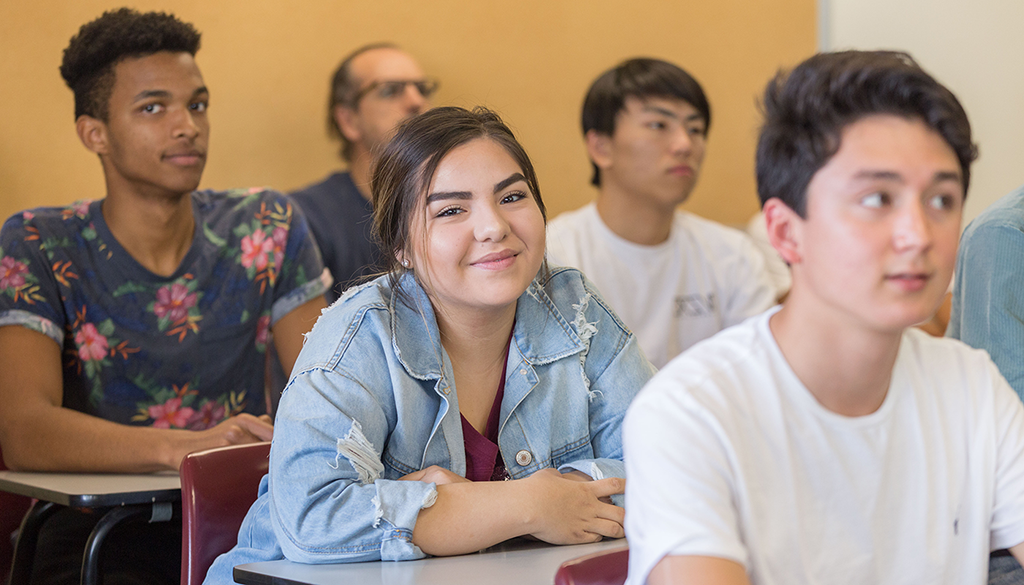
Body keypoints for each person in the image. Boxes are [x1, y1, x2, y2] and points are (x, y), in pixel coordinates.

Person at [203, 106, 655, 582]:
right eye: (452, 210)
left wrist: (470, 510)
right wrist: (530, 506)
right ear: (401, 246)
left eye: (513, 196)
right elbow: (313, 519)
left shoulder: (571, 304)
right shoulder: (359, 333)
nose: (493, 227)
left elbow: (668, 463)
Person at [624, 50, 1024, 585]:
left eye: (941, 199)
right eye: (878, 197)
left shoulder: (972, 387)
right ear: (787, 232)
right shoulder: (691, 411)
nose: (919, 234)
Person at [0, 8, 329, 584]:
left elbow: (331, 390)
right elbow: (24, 431)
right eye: (154, 108)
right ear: (93, 132)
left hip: (251, 523)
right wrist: (187, 446)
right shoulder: (38, 242)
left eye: (197, 104)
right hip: (96, 537)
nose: (187, 126)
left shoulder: (267, 224)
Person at [545, 58, 778, 369]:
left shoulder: (732, 256)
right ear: (600, 146)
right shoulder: (555, 256)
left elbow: (761, 370)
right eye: (658, 125)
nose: (684, 144)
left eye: (695, 129)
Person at [291, 43, 436, 302]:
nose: (416, 102)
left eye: (422, 89)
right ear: (349, 120)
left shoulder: (454, 205)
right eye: (390, 90)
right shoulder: (305, 217)